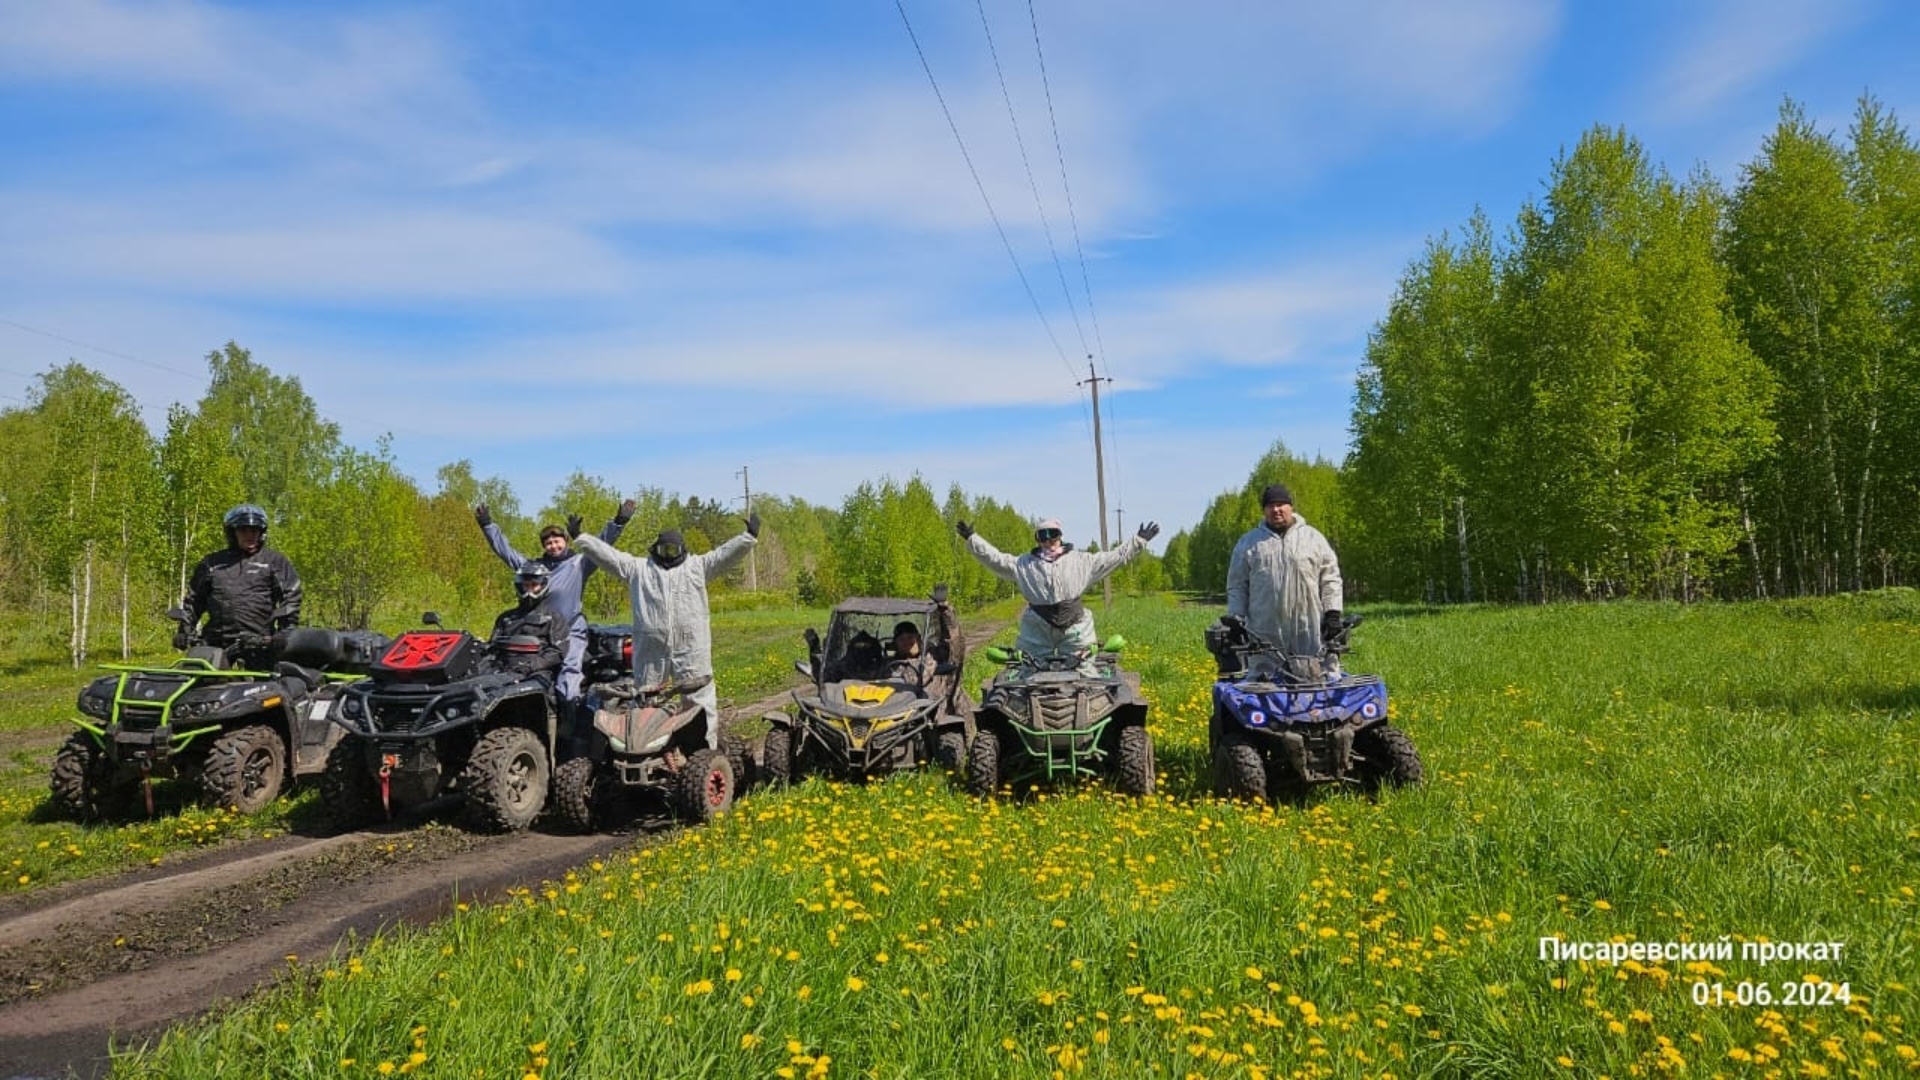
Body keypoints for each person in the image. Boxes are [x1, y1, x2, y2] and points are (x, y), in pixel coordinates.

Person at [570, 513, 760, 748]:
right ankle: (645, 748)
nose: (668, 554)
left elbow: (724, 555)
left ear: (682, 549)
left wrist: (748, 537)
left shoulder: (698, 566)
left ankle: (703, 750)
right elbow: (609, 557)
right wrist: (582, 538)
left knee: (699, 697)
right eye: (664, 549)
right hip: (651, 647)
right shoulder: (639, 569)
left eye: (673, 549)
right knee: (646, 698)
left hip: (691, 645)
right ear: (655, 549)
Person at [475, 499, 633, 703]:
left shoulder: (579, 563)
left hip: (571, 627)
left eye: (557, 541)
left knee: (570, 668)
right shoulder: (535, 568)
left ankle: (570, 709)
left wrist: (619, 522)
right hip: (540, 629)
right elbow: (505, 551)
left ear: (565, 542)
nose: (553, 546)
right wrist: (487, 524)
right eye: (548, 543)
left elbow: (600, 547)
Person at [957, 516, 1159, 674]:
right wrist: (973, 539)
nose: (1048, 540)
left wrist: (1138, 541)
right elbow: (995, 559)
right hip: (1037, 628)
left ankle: (1088, 720)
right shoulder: (1023, 564)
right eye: (1042, 536)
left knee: (1086, 673)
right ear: (1037, 539)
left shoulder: (1082, 561)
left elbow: (1114, 558)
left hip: (1076, 627)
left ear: (1060, 535)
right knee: (1027, 674)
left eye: (1052, 534)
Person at [1225, 483, 1344, 675]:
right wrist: (1235, 618)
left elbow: (1330, 578)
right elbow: (1237, 584)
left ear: (1291, 507)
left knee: (1318, 683)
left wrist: (1333, 613)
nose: (1276, 510)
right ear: (1264, 510)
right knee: (1264, 689)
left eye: (1281, 504)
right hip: (1264, 634)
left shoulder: (1314, 539)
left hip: (1310, 630)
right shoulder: (1249, 543)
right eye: (1270, 505)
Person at [179, 504, 302, 669]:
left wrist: (285, 633)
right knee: (196, 685)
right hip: (215, 642)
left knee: (266, 690)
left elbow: (291, 597)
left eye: (254, 531)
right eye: (243, 530)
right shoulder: (212, 563)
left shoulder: (274, 561)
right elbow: (194, 600)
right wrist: (184, 631)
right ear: (233, 532)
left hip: (260, 643)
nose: (249, 535)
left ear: (261, 533)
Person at [485, 563, 569, 680]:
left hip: (538, 673)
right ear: (520, 586)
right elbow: (492, 648)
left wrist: (530, 666)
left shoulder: (553, 617)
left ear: (543, 585)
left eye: (534, 585)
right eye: (526, 585)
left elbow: (558, 652)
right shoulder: (506, 618)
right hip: (503, 670)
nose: (529, 590)